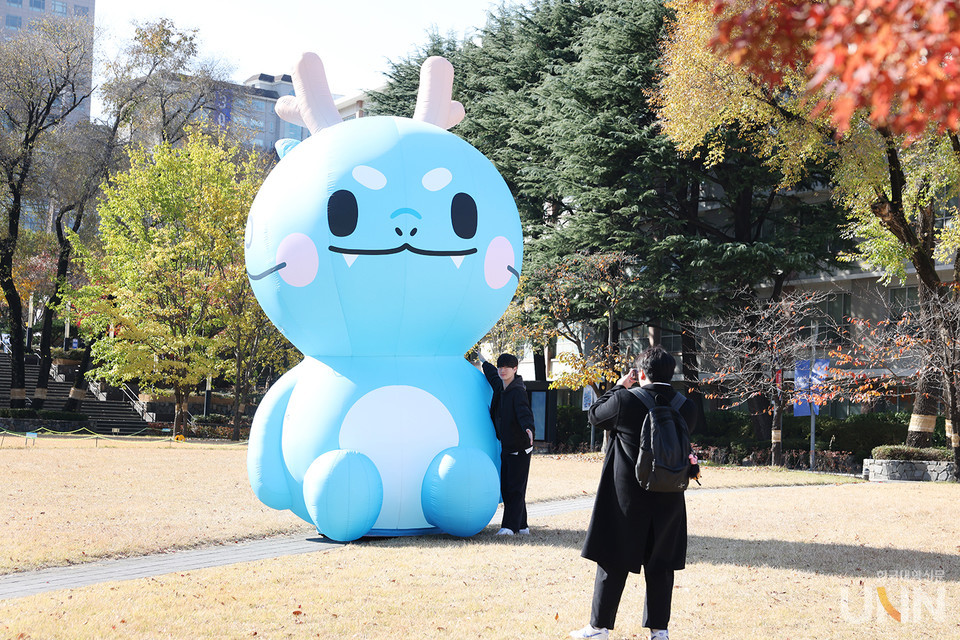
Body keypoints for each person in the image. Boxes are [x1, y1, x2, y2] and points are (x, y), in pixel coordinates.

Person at [570, 346, 697, 640]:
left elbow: (594, 416)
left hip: (626, 496)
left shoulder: (625, 401)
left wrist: (618, 386)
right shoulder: (686, 406)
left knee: (613, 559)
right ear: (671, 373)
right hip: (669, 495)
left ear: (640, 373)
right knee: (662, 564)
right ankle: (659, 631)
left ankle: (599, 627)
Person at [480, 352, 535, 536]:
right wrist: (484, 362)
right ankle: (522, 525)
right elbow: (493, 377)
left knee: (514, 488)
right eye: (500, 367)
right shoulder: (502, 388)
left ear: (515, 369)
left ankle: (509, 527)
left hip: (520, 447)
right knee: (512, 486)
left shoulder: (517, 391)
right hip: (508, 446)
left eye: (506, 367)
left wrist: (528, 428)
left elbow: (524, 412)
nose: (502, 371)